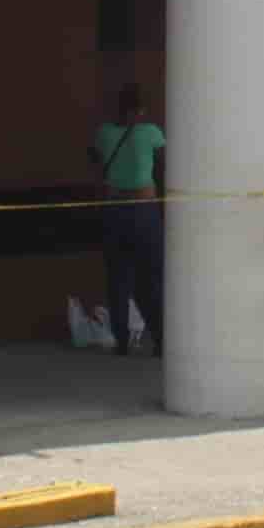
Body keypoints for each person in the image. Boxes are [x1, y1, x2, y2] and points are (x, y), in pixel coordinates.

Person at [91, 83, 166, 359]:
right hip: (144, 211)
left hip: (113, 210)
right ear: (140, 110)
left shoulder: (104, 133)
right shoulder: (151, 132)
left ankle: (122, 342)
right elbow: (162, 166)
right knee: (151, 278)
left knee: (118, 278)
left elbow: (94, 160)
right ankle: (160, 340)